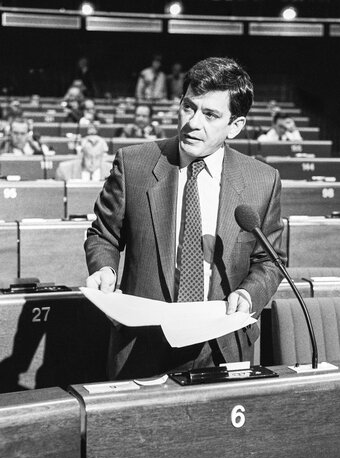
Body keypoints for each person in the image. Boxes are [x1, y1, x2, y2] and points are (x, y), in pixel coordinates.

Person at [85, 56, 285, 379]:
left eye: (210, 114)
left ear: (235, 125)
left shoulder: (264, 181)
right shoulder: (133, 163)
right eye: (188, 107)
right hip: (143, 344)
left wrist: (249, 294)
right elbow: (103, 234)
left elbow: (271, 261)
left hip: (221, 348)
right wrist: (104, 268)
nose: (193, 122)